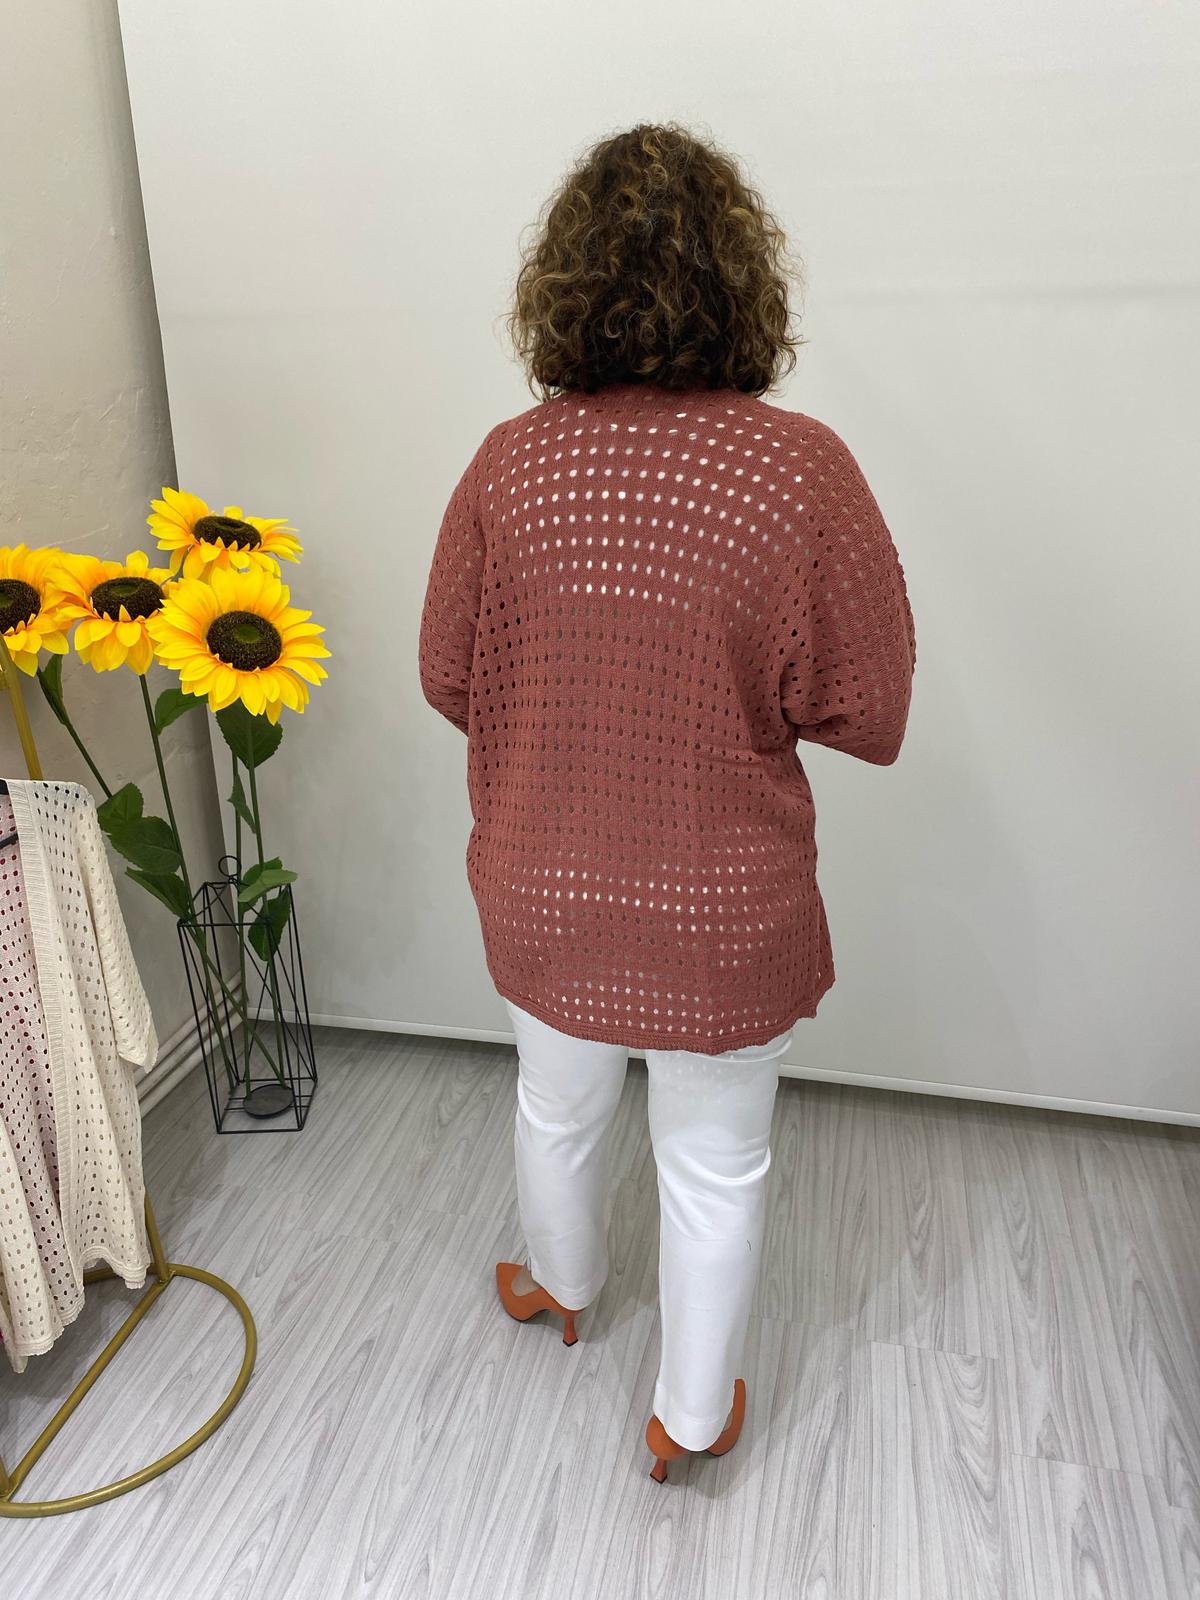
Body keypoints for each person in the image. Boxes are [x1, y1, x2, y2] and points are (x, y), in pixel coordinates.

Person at [418, 122, 916, 1483]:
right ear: (741, 279)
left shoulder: (509, 463)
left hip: (544, 875)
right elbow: (866, 708)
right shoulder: (800, 469)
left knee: (556, 1104)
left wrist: (566, 716)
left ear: (563, 283)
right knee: (714, 1165)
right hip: (720, 903)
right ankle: (689, 1417)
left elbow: (448, 674)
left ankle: (562, 1285)